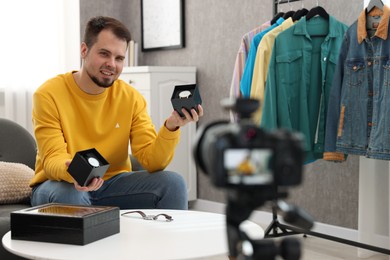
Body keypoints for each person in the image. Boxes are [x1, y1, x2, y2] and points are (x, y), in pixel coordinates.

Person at [30, 16, 203, 210]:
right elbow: (53, 159)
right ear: (84, 50)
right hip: (61, 185)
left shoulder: (131, 97)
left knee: (174, 183)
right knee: (73, 195)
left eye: (119, 58)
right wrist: (76, 172)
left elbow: (152, 160)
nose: (112, 64)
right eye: (104, 54)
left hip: (112, 185)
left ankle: (168, 241)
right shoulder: (48, 94)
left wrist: (172, 126)